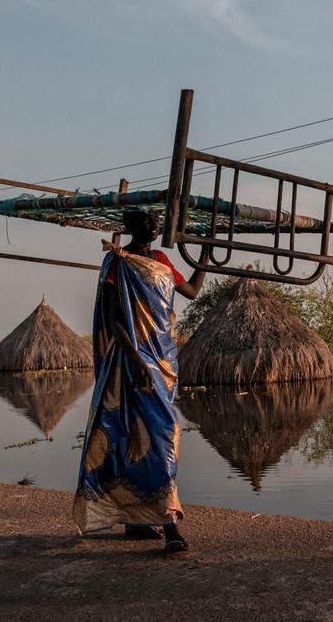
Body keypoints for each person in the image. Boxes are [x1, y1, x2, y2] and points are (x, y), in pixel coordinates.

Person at [73, 209, 208, 552]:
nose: (153, 226)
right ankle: (170, 524)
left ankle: (136, 520)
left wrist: (205, 258)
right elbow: (116, 319)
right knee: (160, 435)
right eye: (146, 222)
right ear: (129, 228)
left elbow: (191, 291)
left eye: (156, 222)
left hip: (163, 359)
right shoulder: (120, 263)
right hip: (134, 362)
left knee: (143, 435)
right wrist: (136, 361)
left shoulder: (161, 259)